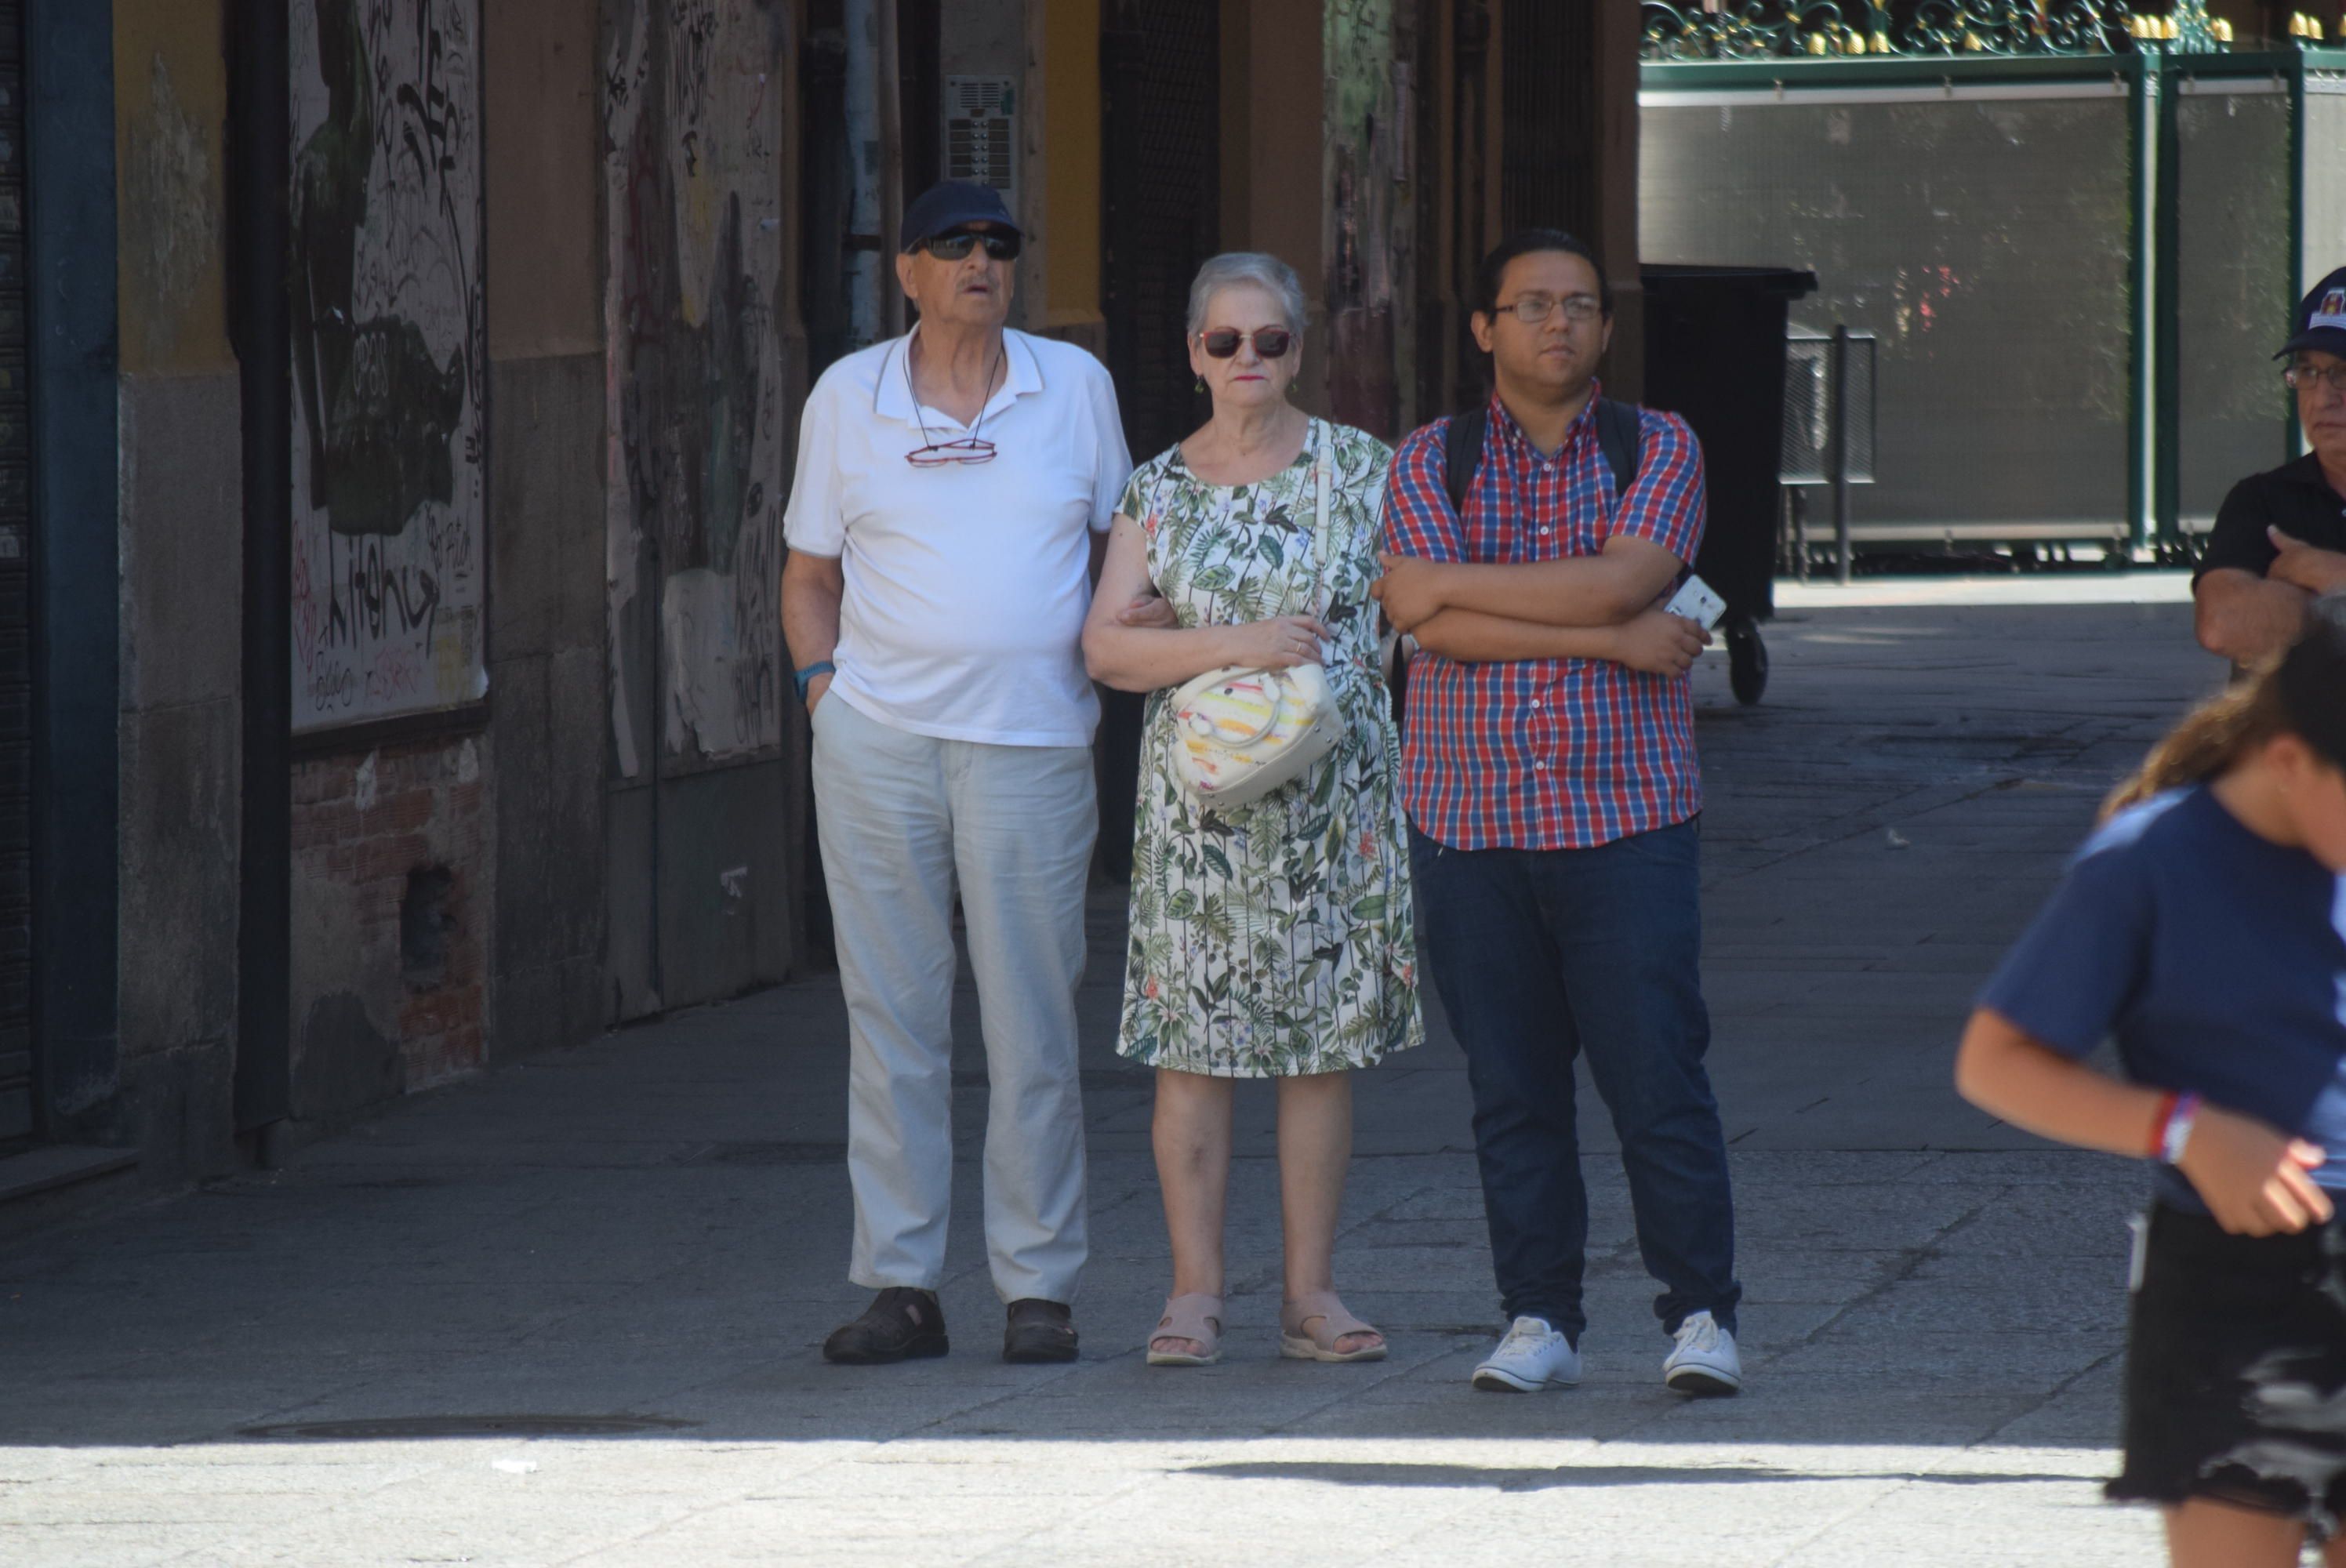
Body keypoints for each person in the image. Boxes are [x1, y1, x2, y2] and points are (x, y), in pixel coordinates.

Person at [1375, 229, 1742, 1397]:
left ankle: (1703, 1318)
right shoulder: (1429, 461)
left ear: (1605, 328)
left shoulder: (1659, 445)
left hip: (1626, 820)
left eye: (1578, 306)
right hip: (1467, 824)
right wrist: (1608, 640)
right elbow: (1431, 631)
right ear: (1484, 328)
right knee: (1512, 1090)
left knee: (1658, 1077)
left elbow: (1623, 577)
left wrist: (1470, 586)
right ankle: (1539, 1318)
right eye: (1529, 306)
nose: (1556, 325)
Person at [781, 180, 1136, 1366]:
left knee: (1033, 1018)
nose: (981, 260)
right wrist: (824, 698)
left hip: (1031, 741)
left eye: (998, 244)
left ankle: (1038, 1286)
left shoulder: (1072, 388)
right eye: (954, 245)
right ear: (909, 271)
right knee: (893, 1019)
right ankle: (903, 1285)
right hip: (875, 740)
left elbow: (1118, 553)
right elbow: (808, 572)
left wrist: (1093, 667)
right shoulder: (849, 395)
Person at [1081, 252, 1423, 1367]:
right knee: (1193, 1048)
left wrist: (1177, 635)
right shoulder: (1156, 489)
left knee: (1317, 1051)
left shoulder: (1363, 469)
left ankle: (1311, 1296)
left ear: (1298, 350)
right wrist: (1241, 642)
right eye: (1225, 342)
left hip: (1336, 799)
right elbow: (1105, 647)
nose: (1247, 361)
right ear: (1193, 354)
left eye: (1270, 340)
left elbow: (1415, 612)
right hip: (1204, 813)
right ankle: (1194, 1295)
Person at [1956, 604, 2346, 1568]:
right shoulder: (2152, 858)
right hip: (2242, 1288)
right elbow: (1994, 1061)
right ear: (2291, 759)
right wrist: (2186, 1128)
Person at [2196, 266, 2346, 668]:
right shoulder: (2262, 501)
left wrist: (2322, 572)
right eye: (2309, 372)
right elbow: (2222, 623)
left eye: (2343, 372)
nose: (2322, 396)